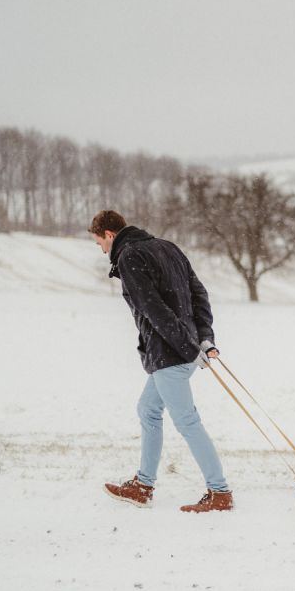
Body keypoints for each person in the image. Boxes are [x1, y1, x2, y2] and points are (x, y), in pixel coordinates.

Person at [89, 209, 235, 513]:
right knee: (148, 409)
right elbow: (199, 295)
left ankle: (219, 492)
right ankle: (143, 485)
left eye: (99, 242)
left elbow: (153, 308)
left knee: (187, 421)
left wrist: (189, 345)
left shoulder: (129, 257)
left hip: (170, 351)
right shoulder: (168, 247)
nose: (101, 249)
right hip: (180, 348)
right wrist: (202, 338)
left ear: (110, 235)